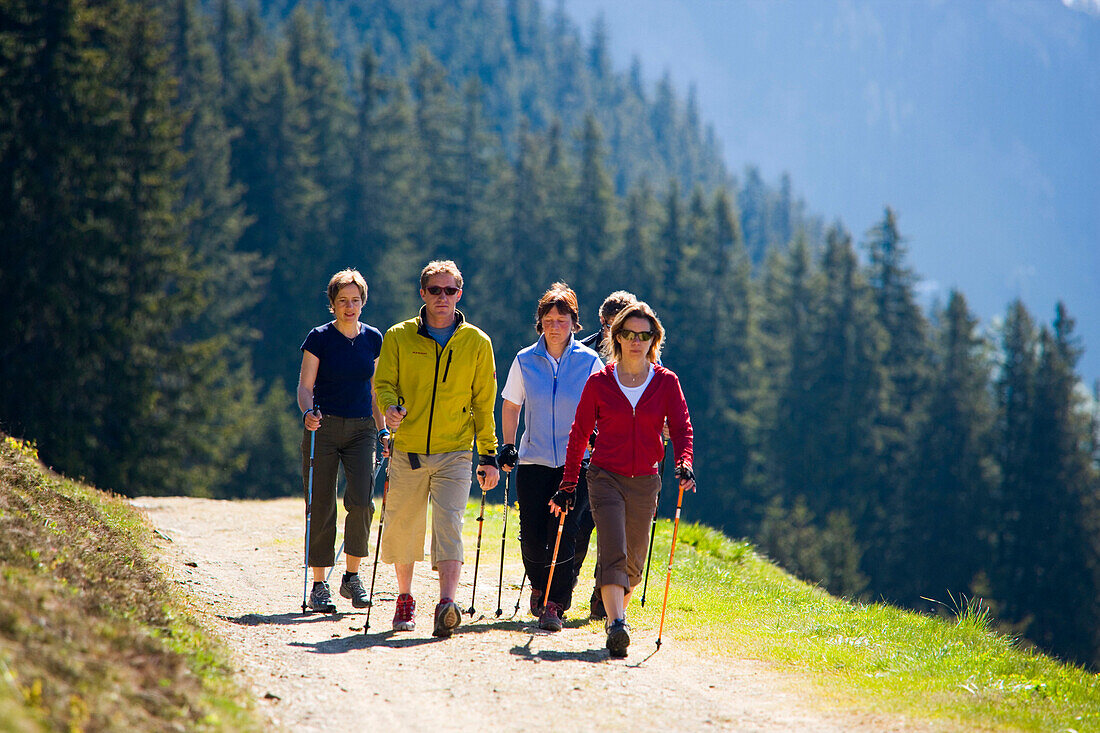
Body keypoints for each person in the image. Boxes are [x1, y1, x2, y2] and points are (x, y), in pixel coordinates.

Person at [553, 301, 694, 658]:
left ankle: (617, 614)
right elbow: (579, 433)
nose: (636, 341)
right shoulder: (600, 382)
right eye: (628, 334)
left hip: (645, 480)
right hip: (605, 477)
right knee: (613, 548)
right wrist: (570, 483)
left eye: (643, 335)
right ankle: (617, 625)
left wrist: (684, 462)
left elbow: (681, 428)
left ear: (653, 340)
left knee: (633, 564)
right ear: (617, 337)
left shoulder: (665, 382)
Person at [373, 260, 500, 638]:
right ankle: (405, 598)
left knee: (449, 524)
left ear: (460, 293)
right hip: (407, 448)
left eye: (449, 290)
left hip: (456, 452)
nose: (442, 297)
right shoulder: (398, 336)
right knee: (403, 525)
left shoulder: (478, 342)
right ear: (423, 293)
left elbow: (483, 403)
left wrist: (489, 455)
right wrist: (390, 408)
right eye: (435, 290)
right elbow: (384, 384)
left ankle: (446, 603)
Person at [497, 284, 602, 632]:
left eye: (563, 318)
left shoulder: (589, 361)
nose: (555, 325)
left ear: (575, 322)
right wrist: (508, 444)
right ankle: (539, 586)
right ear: (539, 322)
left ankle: (556, 602)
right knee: (533, 535)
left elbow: (602, 404)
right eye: (549, 318)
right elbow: (512, 405)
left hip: (577, 462)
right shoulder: (525, 359)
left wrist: (599, 434)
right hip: (533, 461)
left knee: (566, 531)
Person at [297, 269, 386, 612]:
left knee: (362, 501)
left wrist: (382, 430)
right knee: (321, 504)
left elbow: (377, 390)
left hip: (363, 429)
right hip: (324, 428)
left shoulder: (373, 338)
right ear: (332, 304)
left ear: (363, 302)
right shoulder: (319, 338)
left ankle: (351, 576)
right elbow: (305, 386)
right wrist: (308, 413)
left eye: (355, 300)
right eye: (342, 301)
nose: (349, 307)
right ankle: (319, 585)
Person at [573, 290, 638, 619]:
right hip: (587, 455)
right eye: (617, 327)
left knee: (615, 531)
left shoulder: (645, 357)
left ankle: (602, 599)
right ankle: (565, 584)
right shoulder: (582, 352)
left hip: (625, 457)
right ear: (604, 323)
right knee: (581, 523)